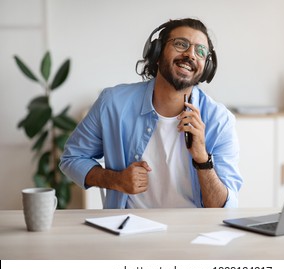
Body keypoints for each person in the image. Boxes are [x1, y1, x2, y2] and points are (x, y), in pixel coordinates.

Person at [59, 18, 242, 209]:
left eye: (200, 51)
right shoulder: (113, 103)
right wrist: (116, 180)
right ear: (157, 52)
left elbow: (224, 208)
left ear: (207, 68)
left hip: (192, 234)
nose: (190, 54)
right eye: (181, 44)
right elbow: (72, 158)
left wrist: (203, 159)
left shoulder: (220, 120)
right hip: (128, 231)